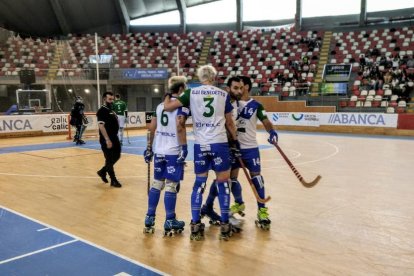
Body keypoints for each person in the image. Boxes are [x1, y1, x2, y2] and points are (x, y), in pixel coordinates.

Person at [163, 65, 240, 241]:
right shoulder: (223, 94)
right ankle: (225, 224)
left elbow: (169, 108)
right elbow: (229, 123)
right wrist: (235, 141)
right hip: (219, 143)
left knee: (199, 183)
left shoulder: (191, 93)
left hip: (200, 145)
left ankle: (196, 224)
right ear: (213, 77)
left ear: (199, 77)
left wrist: (169, 93)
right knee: (223, 184)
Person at [143, 76, 190, 236]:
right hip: (172, 151)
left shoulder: (160, 106)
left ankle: (149, 218)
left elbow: (152, 128)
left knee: (157, 184)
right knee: (171, 185)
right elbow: (180, 127)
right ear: (182, 89)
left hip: (159, 151)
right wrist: (184, 148)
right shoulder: (182, 107)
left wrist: (149, 148)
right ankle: (170, 219)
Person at [231, 75, 278, 230]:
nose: (238, 88)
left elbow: (265, 121)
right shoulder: (231, 103)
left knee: (257, 179)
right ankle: (238, 204)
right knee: (232, 180)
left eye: (241, 86)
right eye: (236, 86)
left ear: (247, 87)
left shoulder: (256, 105)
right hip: (233, 147)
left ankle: (262, 211)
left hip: (250, 148)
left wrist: (271, 132)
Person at [200, 76, 243, 226]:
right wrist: (234, 142)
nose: (239, 91)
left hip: (233, 145)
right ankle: (225, 215)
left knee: (227, 180)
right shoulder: (222, 101)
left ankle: (208, 207)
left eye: (240, 88)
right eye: (235, 88)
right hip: (223, 145)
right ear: (228, 89)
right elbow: (227, 124)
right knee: (225, 180)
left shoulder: (237, 104)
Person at [96, 92, 122, 188]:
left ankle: (102, 171)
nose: (112, 101)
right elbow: (101, 126)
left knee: (117, 155)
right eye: (110, 99)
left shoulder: (111, 110)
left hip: (114, 137)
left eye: (112, 99)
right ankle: (113, 180)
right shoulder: (102, 111)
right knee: (109, 159)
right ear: (104, 99)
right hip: (106, 138)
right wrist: (107, 140)